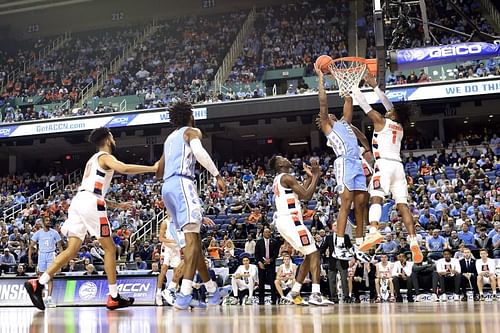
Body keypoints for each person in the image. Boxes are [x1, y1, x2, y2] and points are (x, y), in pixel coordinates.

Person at [24, 127, 158, 310]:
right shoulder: (105, 156)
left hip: (79, 202)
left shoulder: (92, 160)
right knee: (110, 248)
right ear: (108, 138)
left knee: (71, 251)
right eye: (112, 136)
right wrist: (153, 168)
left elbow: (93, 189)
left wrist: (116, 205)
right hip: (91, 203)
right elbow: (125, 168)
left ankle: (38, 283)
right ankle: (114, 296)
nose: (114, 139)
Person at [155, 101, 226, 310]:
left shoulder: (169, 139)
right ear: (190, 117)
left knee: (193, 242)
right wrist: (217, 176)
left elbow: (158, 170)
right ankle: (184, 294)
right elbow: (199, 152)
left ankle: (212, 291)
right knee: (193, 243)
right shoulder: (191, 131)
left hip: (167, 188)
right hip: (182, 183)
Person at [352, 75, 423, 263]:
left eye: (391, 110)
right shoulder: (399, 126)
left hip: (383, 165)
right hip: (398, 167)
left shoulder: (380, 121)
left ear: (393, 114)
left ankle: (373, 230)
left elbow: (364, 104)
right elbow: (389, 105)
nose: (389, 110)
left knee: (376, 196)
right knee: (403, 205)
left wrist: (353, 87)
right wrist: (375, 87)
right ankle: (413, 240)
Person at [315, 64, 368, 260]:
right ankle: (338, 244)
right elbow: (323, 103)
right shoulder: (328, 126)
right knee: (346, 203)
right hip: (344, 162)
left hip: (356, 162)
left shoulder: (345, 123)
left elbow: (348, 99)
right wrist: (321, 78)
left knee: (361, 203)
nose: (329, 114)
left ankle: (360, 244)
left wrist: (341, 78)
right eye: (326, 115)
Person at [269, 155, 327, 306]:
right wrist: (315, 175)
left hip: (286, 220)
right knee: (314, 253)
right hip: (290, 219)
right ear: (280, 164)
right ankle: (316, 293)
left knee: (310, 253)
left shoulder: (281, 179)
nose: (286, 158)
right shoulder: (286, 177)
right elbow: (307, 196)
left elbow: (300, 192)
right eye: (282, 157)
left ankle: (294, 292)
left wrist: (309, 178)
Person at [28, 216, 62, 308]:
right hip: (42, 255)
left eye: (49, 220)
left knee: (50, 277)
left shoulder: (54, 233)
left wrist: (63, 259)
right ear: (42, 222)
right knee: (42, 277)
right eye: (46, 220)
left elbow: (60, 247)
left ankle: (49, 298)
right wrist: (30, 258)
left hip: (51, 255)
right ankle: (41, 297)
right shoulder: (38, 233)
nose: (48, 222)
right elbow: (31, 246)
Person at [156, 214, 184, 306]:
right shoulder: (165, 222)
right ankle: (158, 293)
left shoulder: (179, 222)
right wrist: (173, 242)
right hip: (167, 248)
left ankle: (173, 292)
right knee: (163, 269)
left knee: (178, 271)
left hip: (176, 249)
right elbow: (161, 238)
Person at [254, 227, 280, 305]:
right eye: (265, 232)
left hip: (271, 264)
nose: (267, 233)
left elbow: (276, 254)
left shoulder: (275, 242)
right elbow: (256, 254)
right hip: (261, 264)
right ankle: (261, 300)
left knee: (272, 282)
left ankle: (273, 300)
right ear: (263, 233)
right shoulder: (259, 242)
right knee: (261, 282)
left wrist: (270, 260)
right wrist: (259, 262)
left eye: (269, 232)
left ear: (270, 233)